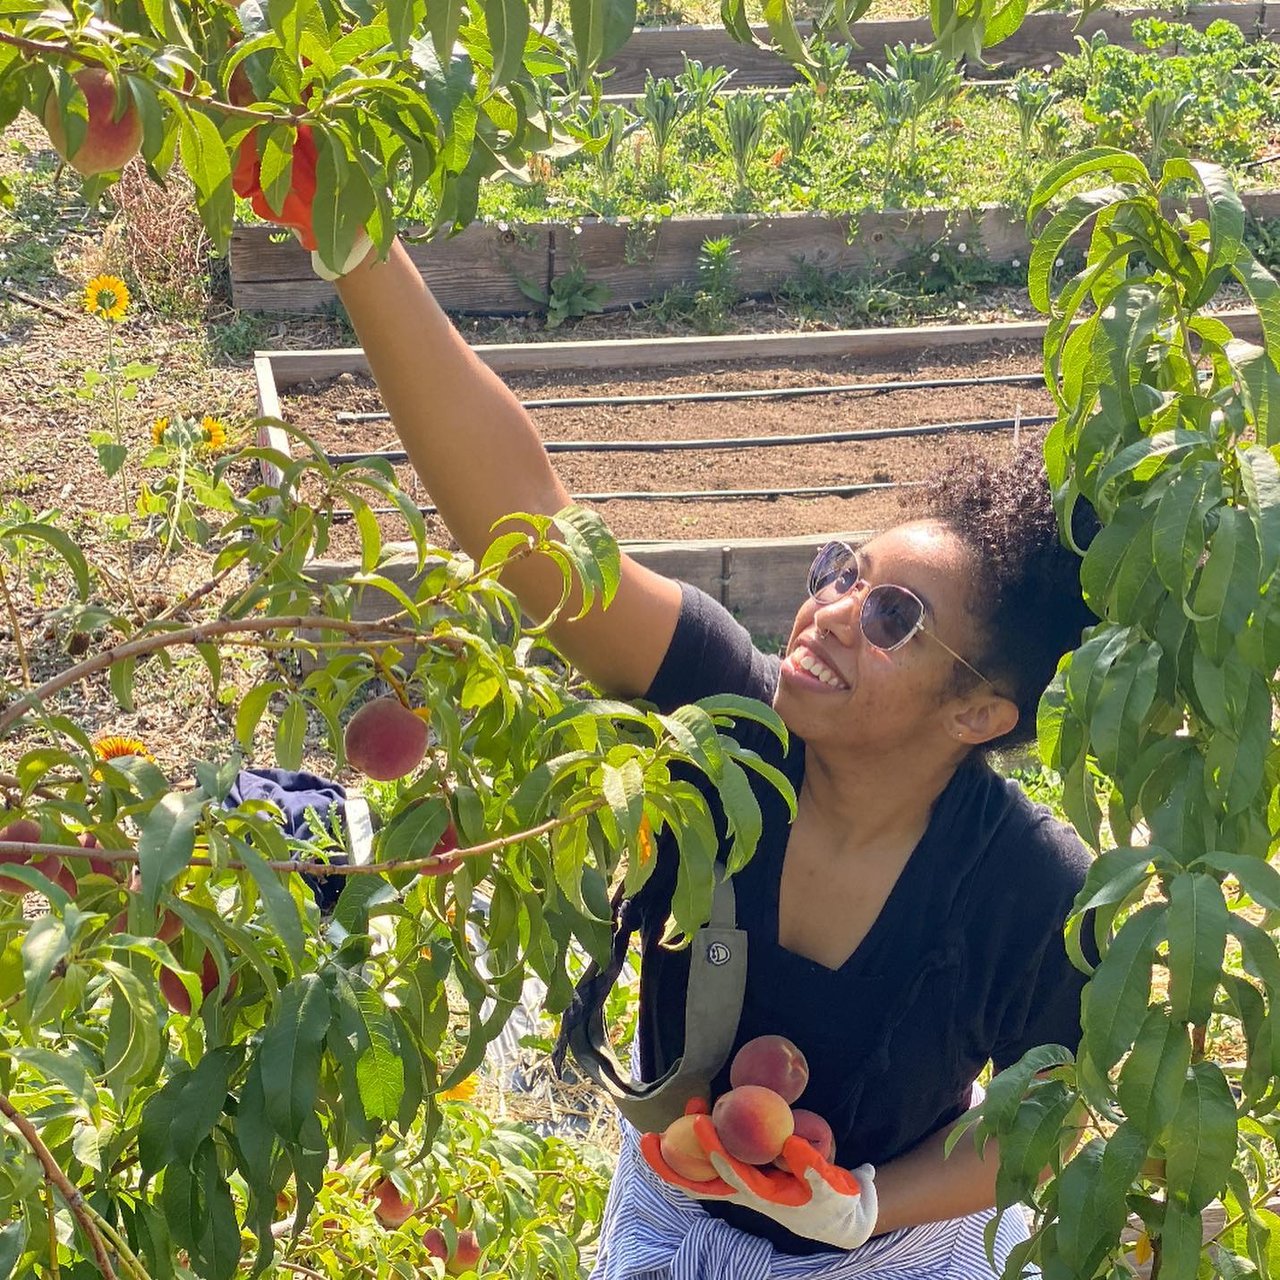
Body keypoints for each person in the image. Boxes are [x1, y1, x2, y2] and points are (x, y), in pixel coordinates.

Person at [234, 149, 1098, 1278]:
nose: (828, 609)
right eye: (841, 569)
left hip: (901, 1248)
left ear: (978, 712)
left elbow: (1051, 1108)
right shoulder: (720, 721)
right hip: (672, 1218)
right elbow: (533, 523)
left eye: (889, 614)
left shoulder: (1027, 885)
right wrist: (357, 243)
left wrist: (869, 1200)